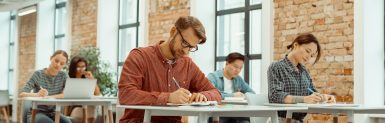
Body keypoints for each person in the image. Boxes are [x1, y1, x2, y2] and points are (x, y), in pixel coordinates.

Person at [118, 16, 222, 123]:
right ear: (173, 32)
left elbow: (216, 93)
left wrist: (203, 96)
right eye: (185, 43)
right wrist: (168, 98)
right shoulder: (139, 56)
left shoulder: (188, 65)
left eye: (191, 47)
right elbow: (125, 94)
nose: (186, 52)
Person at [267, 33, 335, 122]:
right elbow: (275, 96)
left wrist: (324, 97)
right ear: (296, 45)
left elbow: (312, 93)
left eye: (311, 55)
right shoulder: (276, 67)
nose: (308, 57)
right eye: (307, 51)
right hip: (280, 120)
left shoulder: (304, 72)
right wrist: (304, 99)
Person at [19, 50, 71, 123]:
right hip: (36, 113)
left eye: (62, 64)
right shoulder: (38, 74)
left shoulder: (63, 76)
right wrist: (37, 94)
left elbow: (67, 94)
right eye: (56, 61)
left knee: (68, 122)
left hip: (54, 112)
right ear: (50, 58)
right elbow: (22, 93)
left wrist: (50, 97)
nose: (58, 64)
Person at [207, 52, 255, 123]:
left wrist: (244, 96)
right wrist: (233, 95)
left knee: (246, 120)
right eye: (235, 67)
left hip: (235, 112)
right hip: (217, 112)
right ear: (227, 64)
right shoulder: (213, 77)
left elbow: (252, 93)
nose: (238, 70)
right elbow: (211, 94)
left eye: (240, 68)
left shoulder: (238, 79)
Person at [66, 56, 101, 123]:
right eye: (78, 67)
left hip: (87, 107)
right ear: (73, 68)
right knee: (87, 108)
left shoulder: (86, 79)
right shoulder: (68, 78)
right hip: (74, 108)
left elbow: (97, 94)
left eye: (83, 66)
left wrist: (92, 79)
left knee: (91, 107)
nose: (81, 69)